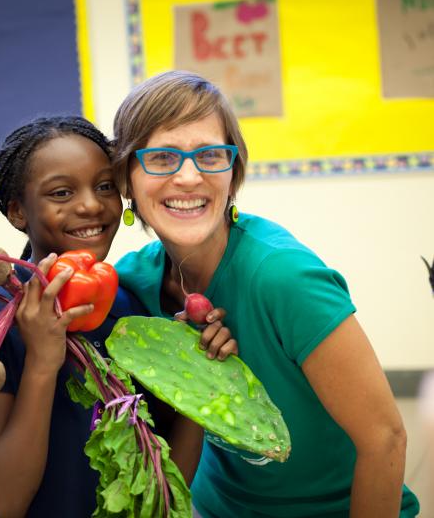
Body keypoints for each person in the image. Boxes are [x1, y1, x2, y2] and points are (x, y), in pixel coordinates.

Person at [110, 70, 420, 517]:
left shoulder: (283, 278)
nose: (189, 177)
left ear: (232, 174)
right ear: (126, 178)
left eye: (211, 155)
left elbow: (386, 437)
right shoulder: (132, 285)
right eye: (161, 158)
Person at [0, 116, 238, 518]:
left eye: (105, 186)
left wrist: (199, 376)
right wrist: (41, 362)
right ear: (18, 211)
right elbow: (4, 501)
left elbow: (167, 480)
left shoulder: (134, 307)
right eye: (61, 192)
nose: (90, 204)